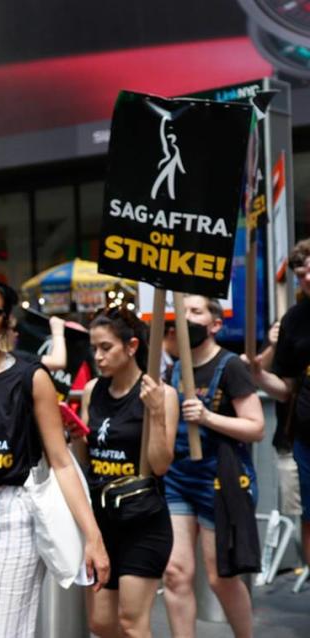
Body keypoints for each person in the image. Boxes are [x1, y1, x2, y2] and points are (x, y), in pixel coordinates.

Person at [0, 277, 110, 637]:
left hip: (14, 511)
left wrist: (92, 536)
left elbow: (61, 461)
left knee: (6, 631)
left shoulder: (30, 377)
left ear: (5, 322)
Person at [162, 295, 265, 638]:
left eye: (196, 312)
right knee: (175, 572)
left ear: (215, 324)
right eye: (183, 311)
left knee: (221, 577)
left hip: (219, 480)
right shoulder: (175, 367)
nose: (186, 318)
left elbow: (256, 427)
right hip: (178, 478)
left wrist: (207, 417)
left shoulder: (231, 366)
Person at [79, 308, 178, 638]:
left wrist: (157, 413)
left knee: (132, 624)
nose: (98, 356)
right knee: (101, 624)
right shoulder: (93, 390)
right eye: (94, 348)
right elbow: (84, 458)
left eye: (106, 348)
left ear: (132, 346)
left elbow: (161, 464)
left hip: (142, 521)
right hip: (101, 521)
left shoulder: (161, 393)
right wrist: (73, 434)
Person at [248, 238, 310, 574]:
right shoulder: (294, 320)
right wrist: (258, 373)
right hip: (304, 438)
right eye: (301, 274)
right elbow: (285, 388)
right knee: (307, 518)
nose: (308, 279)